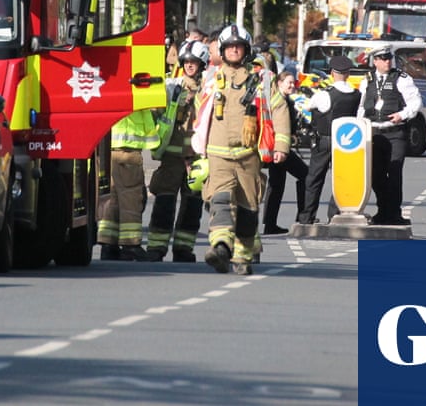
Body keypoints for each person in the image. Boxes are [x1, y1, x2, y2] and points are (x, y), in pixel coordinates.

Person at [190, 24, 290, 275]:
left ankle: (242, 258)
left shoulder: (263, 79)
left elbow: (279, 110)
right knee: (220, 200)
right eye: (230, 46)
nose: (234, 50)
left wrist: (281, 145)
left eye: (239, 46)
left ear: (246, 50)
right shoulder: (211, 78)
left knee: (248, 208)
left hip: (249, 155)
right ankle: (221, 247)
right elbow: (199, 113)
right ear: (222, 51)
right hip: (218, 152)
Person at [145, 40, 209, 262]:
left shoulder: (208, 90)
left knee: (192, 205)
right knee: (164, 201)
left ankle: (183, 249)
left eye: (195, 62)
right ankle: (156, 247)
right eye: (187, 61)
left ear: (202, 64)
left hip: (197, 158)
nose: (190, 65)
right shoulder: (172, 87)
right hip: (172, 157)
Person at [358, 44, 422, 225]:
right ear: (376, 61)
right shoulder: (367, 80)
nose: (387, 62)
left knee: (394, 173)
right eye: (383, 59)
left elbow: (416, 101)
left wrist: (402, 115)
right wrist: (359, 125)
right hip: (373, 133)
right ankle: (383, 210)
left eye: (389, 59)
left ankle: (394, 214)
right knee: (376, 175)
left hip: (395, 133)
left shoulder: (401, 78)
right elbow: (361, 106)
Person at [298, 55, 360, 225]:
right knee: (341, 178)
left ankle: (307, 215)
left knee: (314, 179)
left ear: (332, 73)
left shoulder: (325, 94)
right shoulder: (356, 94)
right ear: (348, 73)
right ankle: (335, 213)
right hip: (347, 141)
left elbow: (307, 106)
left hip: (324, 140)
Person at [98, 110, 159, 261]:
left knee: (111, 199)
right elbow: (153, 137)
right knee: (131, 199)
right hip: (128, 151)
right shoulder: (138, 92)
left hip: (106, 150)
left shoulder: (107, 90)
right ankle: (130, 245)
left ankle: (108, 245)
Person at [262, 71, 308, 235]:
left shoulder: (286, 100)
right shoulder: (279, 101)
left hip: (279, 148)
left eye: (293, 82)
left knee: (276, 186)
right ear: (279, 83)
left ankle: (270, 224)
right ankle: (303, 217)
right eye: (288, 82)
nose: (292, 85)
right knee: (305, 175)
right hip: (279, 149)